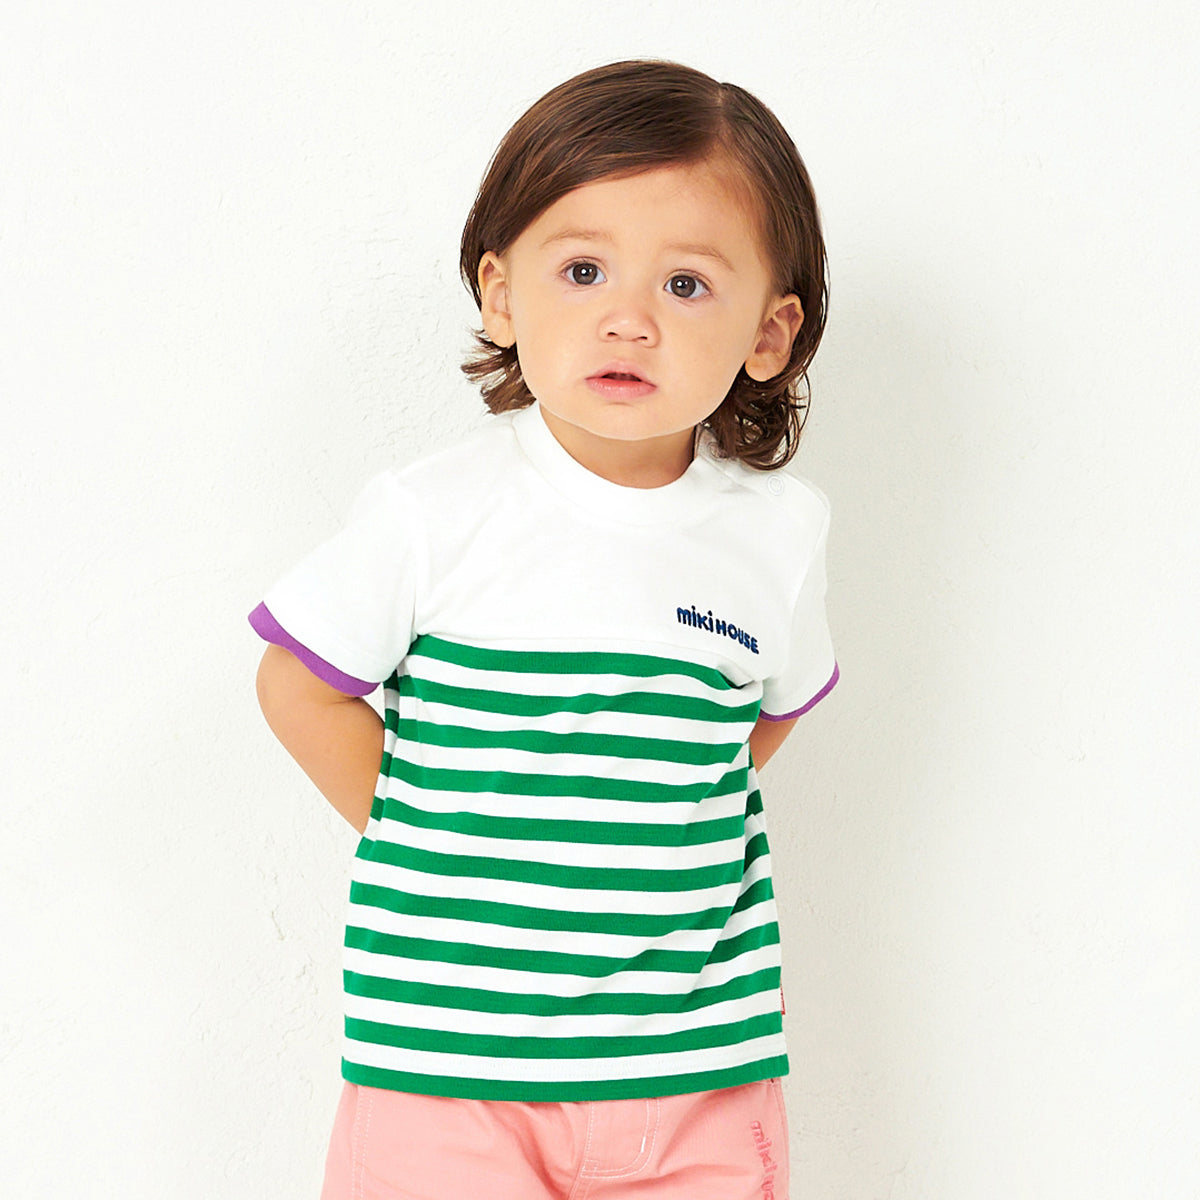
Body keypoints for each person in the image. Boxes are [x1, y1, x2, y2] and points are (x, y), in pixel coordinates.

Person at [251, 58, 838, 1200]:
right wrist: (425, 835)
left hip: (697, 1074)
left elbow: (765, 718)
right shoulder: (435, 513)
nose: (629, 317)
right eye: (583, 270)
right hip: (446, 1074)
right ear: (502, 295)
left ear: (768, 335)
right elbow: (297, 684)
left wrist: (655, 825)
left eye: (686, 285)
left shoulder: (777, 534)